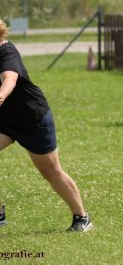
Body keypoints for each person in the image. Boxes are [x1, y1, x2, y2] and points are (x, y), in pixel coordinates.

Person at [0, 19, 92, 232]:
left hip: (32, 119)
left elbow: (9, 79)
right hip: (5, 121)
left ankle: (82, 217)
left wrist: (1, 96)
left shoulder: (7, 53)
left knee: (51, 171)